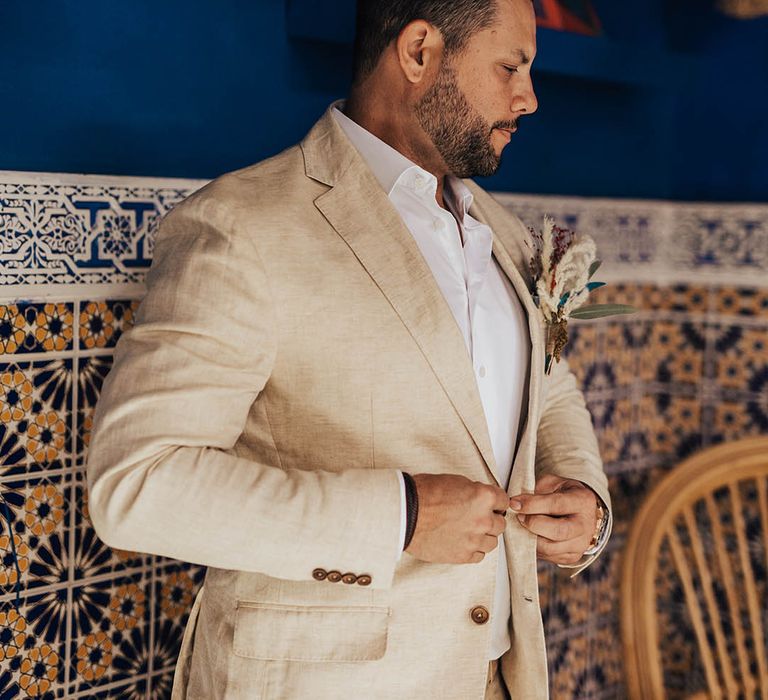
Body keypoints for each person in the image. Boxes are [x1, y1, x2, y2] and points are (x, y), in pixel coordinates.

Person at [86, 0, 611, 697]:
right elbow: (137, 486)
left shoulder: (507, 236)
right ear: (420, 52)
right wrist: (402, 516)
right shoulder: (243, 226)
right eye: (511, 66)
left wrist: (584, 499)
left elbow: (550, 390)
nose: (530, 98)